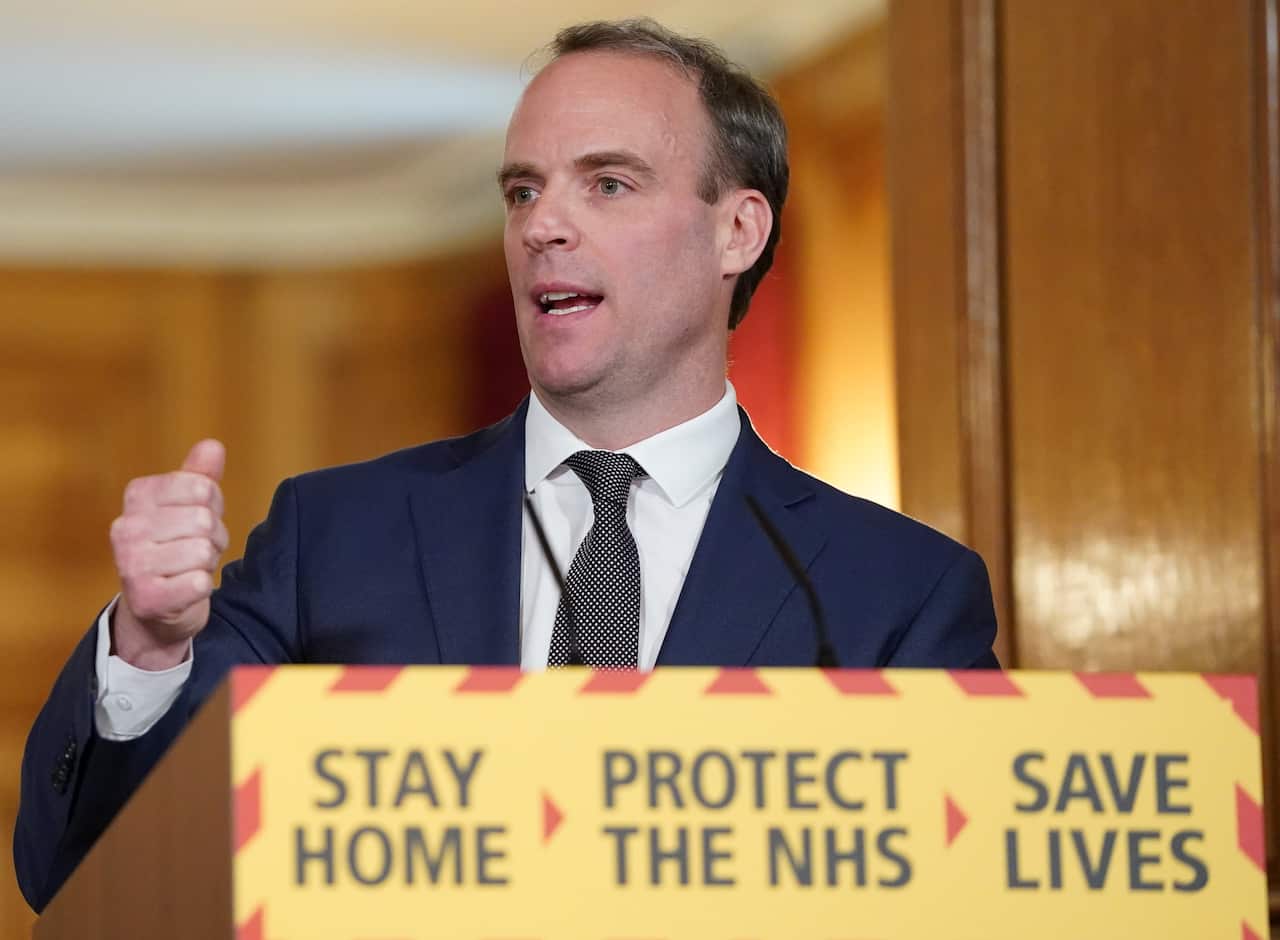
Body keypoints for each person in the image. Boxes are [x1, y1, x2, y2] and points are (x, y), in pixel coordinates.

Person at [14, 18, 998, 913]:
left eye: (605, 183)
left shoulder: (889, 594)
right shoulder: (339, 538)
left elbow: (977, 900)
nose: (539, 227)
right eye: (523, 190)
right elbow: (89, 873)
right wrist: (145, 650)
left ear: (735, 229)